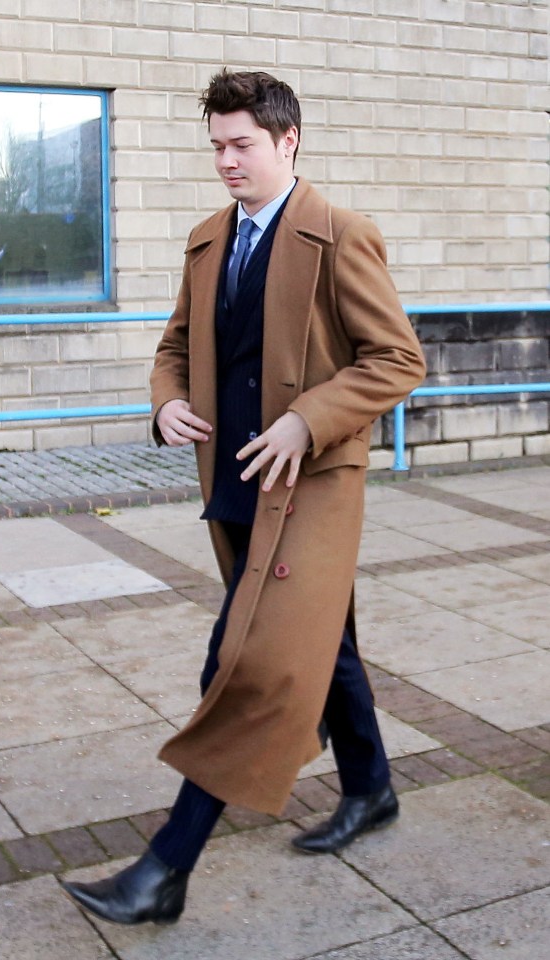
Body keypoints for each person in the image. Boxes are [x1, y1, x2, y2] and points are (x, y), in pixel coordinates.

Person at [61, 69, 426, 926]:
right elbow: (175, 348)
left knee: (246, 664)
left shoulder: (340, 233)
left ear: (286, 140)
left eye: (241, 146)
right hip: (232, 490)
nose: (226, 161)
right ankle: (371, 789)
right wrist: (165, 402)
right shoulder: (206, 238)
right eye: (217, 146)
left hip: (309, 489)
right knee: (319, 648)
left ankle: (163, 872)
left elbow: (398, 359)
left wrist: (308, 420)